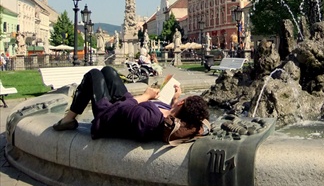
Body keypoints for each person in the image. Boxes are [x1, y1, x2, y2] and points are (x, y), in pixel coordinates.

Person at [52, 66, 210, 144]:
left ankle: (68, 119)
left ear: (183, 103)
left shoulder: (150, 119)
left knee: (94, 74)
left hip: (107, 116)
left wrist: (146, 96)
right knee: (109, 71)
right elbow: (174, 112)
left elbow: (122, 109)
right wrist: (174, 100)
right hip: (123, 109)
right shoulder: (171, 116)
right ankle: (70, 117)